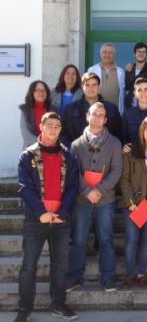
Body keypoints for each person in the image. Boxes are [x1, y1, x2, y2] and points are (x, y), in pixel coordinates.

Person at [15, 112, 79, 322]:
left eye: (57, 126)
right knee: (28, 265)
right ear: (41, 127)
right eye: (49, 125)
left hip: (61, 219)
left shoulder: (68, 155)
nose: (53, 129)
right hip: (37, 219)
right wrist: (41, 212)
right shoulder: (28, 155)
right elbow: (24, 187)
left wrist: (63, 212)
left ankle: (58, 304)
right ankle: (25, 309)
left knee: (60, 265)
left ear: (61, 129)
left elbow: (72, 186)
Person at [67, 102, 123, 292]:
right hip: (82, 200)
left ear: (106, 119)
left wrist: (99, 190)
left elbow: (117, 170)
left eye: (101, 115)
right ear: (87, 116)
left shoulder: (115, 143)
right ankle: (75, 276)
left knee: (106, 238)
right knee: (79, 238)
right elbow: (73, 172)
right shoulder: (75, 145)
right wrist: (87, 191)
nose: (97, 117)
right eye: (94, 114)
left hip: (105, 200)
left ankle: (108, 276)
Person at [119, 117, 147, 289]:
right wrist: (131, 202)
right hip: (133, 205)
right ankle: (130, 275)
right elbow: (124, 179)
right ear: (141, 130)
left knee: (146, 241)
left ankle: (141, 274)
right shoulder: (130, 151)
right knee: (131, 240)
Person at [62, 72, 122, 146]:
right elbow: (63, 134)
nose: (91, 88)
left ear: (99, 87)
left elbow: (119, 133)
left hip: (105, 154)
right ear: (82, 87)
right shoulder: (70, 109)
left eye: (94, 85)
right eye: (87, 85)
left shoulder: (112, 109)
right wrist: (71, 150)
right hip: (77, 153)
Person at [87, 43, 125, 114]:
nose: (107, 55)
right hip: (96, 112)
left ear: (114, 55)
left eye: (110, 53)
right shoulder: (91, 70)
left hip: (115, 113)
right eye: (104, 52)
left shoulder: (121, 72)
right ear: (100, 54)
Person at [19, 80, 57, 149]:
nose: (41, 93)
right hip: (31, 150)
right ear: (32, 93)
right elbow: (26, 134)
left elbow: (59, 130)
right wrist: (42, 143)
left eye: (43, 90)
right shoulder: (25, 110)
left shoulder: (54, 110)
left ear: (47, 93)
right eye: (37, 90)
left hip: (52, 150)